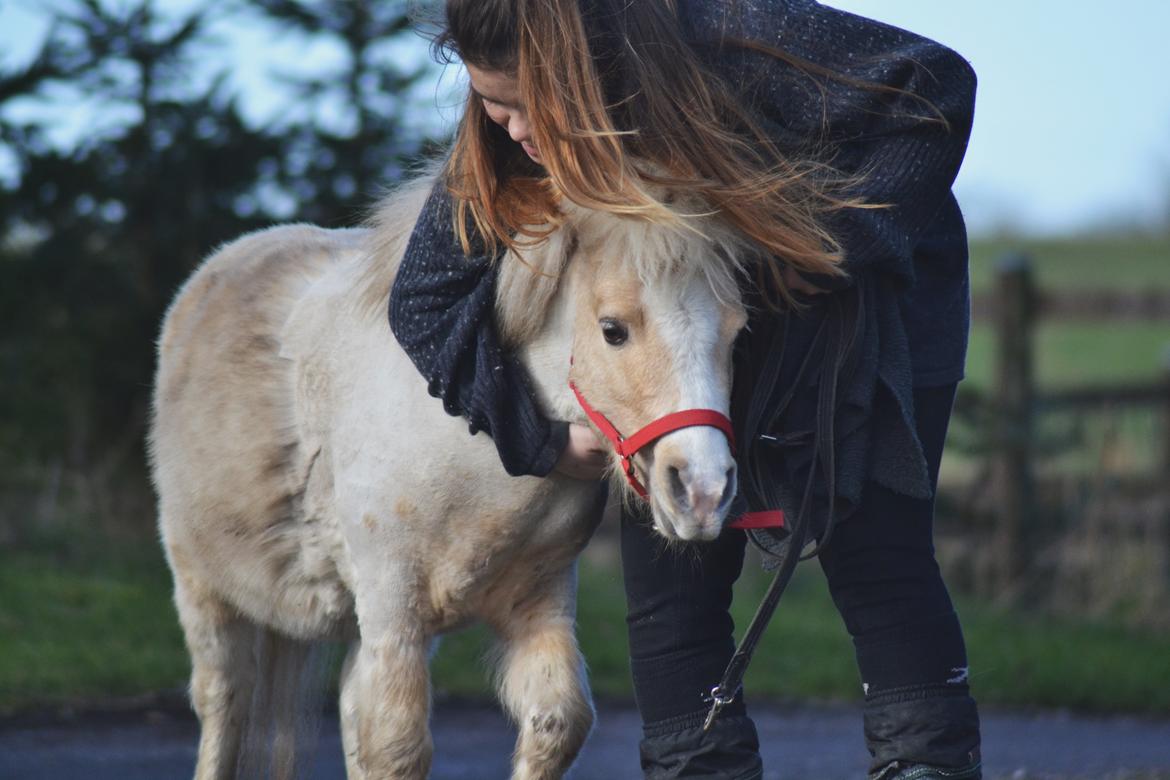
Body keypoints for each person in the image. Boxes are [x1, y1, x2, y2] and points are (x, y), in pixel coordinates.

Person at [389, 1, 981, 777]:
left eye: (519, 105)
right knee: (671, 589)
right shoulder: (504, 145)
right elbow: (422, 300)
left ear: (570, 72)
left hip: (865, 312)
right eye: (488, 104)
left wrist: (808, 246)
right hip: (682, 339)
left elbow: (936, 87)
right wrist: (537, 440)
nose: (508, 128)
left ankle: (925, 767)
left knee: (876, 554)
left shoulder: (726, 32)